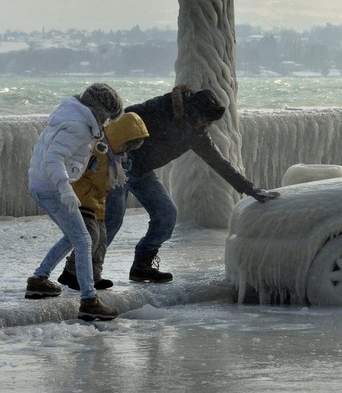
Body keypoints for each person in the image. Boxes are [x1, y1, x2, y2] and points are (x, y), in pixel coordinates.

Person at [105, 85, 279, 284]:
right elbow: (121, 118)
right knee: (112, 219)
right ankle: (80, 269)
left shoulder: (196, 135)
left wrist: (250, 189)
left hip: (143, 173)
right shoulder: (161, 107)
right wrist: (109, 154)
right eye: (205, 119)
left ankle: (142, 266)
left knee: (166, 214)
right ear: (193, 110)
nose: (207, 125)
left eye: (210, 122)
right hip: (118, 167)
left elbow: (219, 163)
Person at [25, 83, 123, 322]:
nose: (107, 123)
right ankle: (89, 300)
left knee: (73, 236)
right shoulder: (78, 127)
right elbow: (53, 158)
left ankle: (39, 281)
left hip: (40, 185)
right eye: (108, 118)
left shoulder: (72, 116)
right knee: (83, 239)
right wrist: (65, 188)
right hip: (52, 188)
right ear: (100, 112)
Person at [57, 112, 150, 292]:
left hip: (97, 203)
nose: (126, 150)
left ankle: (94, 275)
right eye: (126, 144)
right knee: (90, 237)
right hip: (83, 199)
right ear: (119, 137)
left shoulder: (115, 158)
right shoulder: (97, 150)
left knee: (101, 240)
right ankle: (72, 272)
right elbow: (79, 174)